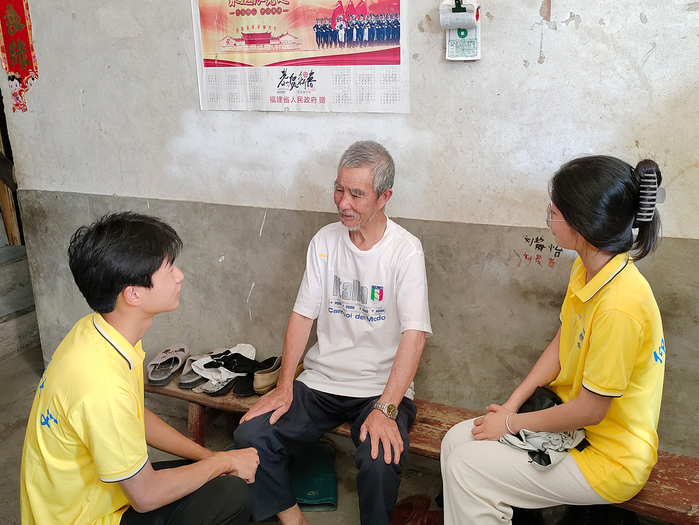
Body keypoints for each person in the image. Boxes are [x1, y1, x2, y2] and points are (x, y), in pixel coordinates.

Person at [440, 156, 666, 524]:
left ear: (582, 224)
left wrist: (512, 425)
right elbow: (563, 343)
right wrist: (511, 406)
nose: (549, 219)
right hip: (573, 430)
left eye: (554, 212)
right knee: (455, 441)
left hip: (609, 458)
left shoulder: (619, 306)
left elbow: (591, 411)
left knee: (467, 467)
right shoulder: (588, 266)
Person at [234, 141, 432, 525]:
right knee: (252, 435)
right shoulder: (324, 241)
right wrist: (285, 386)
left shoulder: (405, 251)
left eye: (357, 194)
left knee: (380, 457)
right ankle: (292, 518)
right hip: (322, 382)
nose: (343, 202)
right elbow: (302, 316)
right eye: (339, 189)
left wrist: (386, 409)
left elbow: (415, 334)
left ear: (384, 197)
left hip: (380, 388)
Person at [20, 212, 259, 525]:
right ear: (132, 294)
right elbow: (146, 497)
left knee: (219, 476)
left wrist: (211, 457)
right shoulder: (102, 385)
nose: (180, 276)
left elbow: (134, 416)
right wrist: (224, 463)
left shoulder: (98, 332)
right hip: (83, 517)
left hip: (95, 494)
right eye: (169, 269)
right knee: (231, 496)